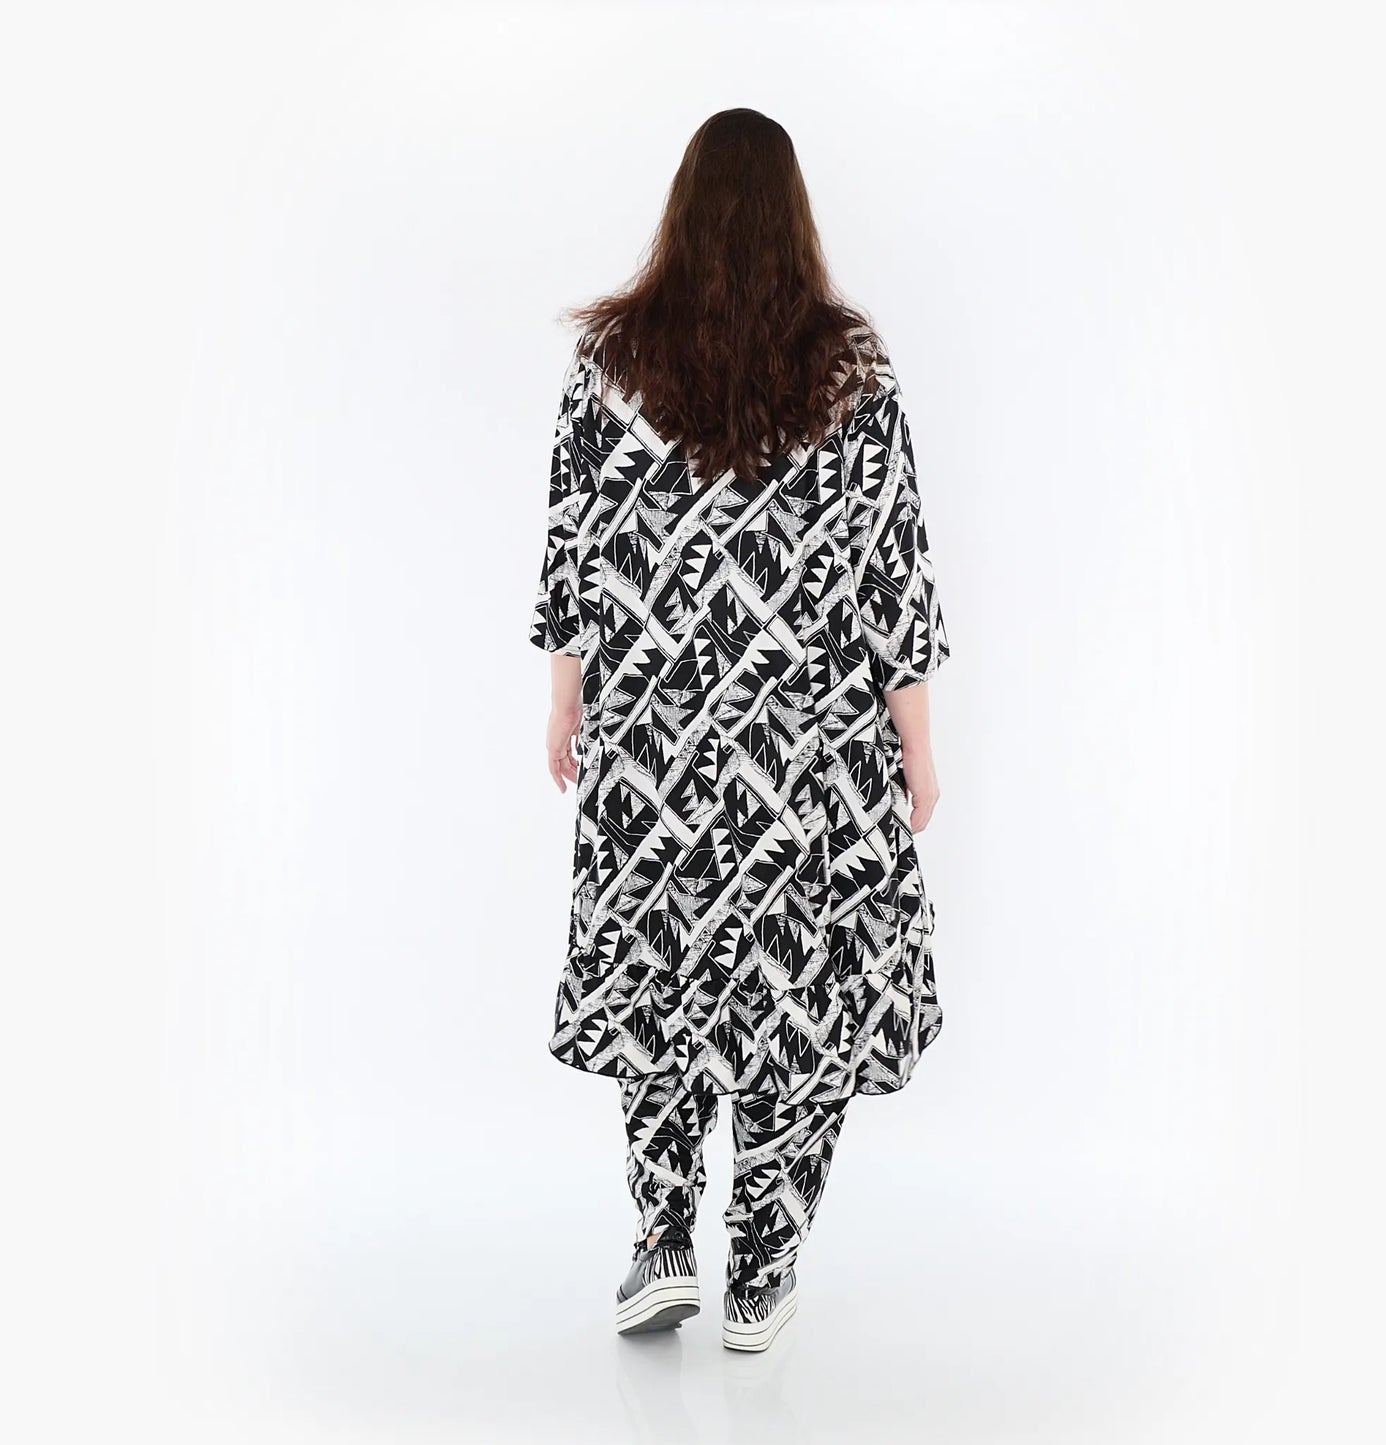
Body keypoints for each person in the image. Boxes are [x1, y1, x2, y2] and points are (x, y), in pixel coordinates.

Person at [527, 108, 950, 1353]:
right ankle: (760, 1268)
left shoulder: (612, 359)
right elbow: (890, 572)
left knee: (657, 971)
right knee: (795, 990)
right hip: (805, 746)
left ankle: (662, 1238)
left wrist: (565, 696)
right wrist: (917, 743)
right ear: (791, 218)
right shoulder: (845, 368)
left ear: (682, 210)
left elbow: (572, 544)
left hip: (653, 740)